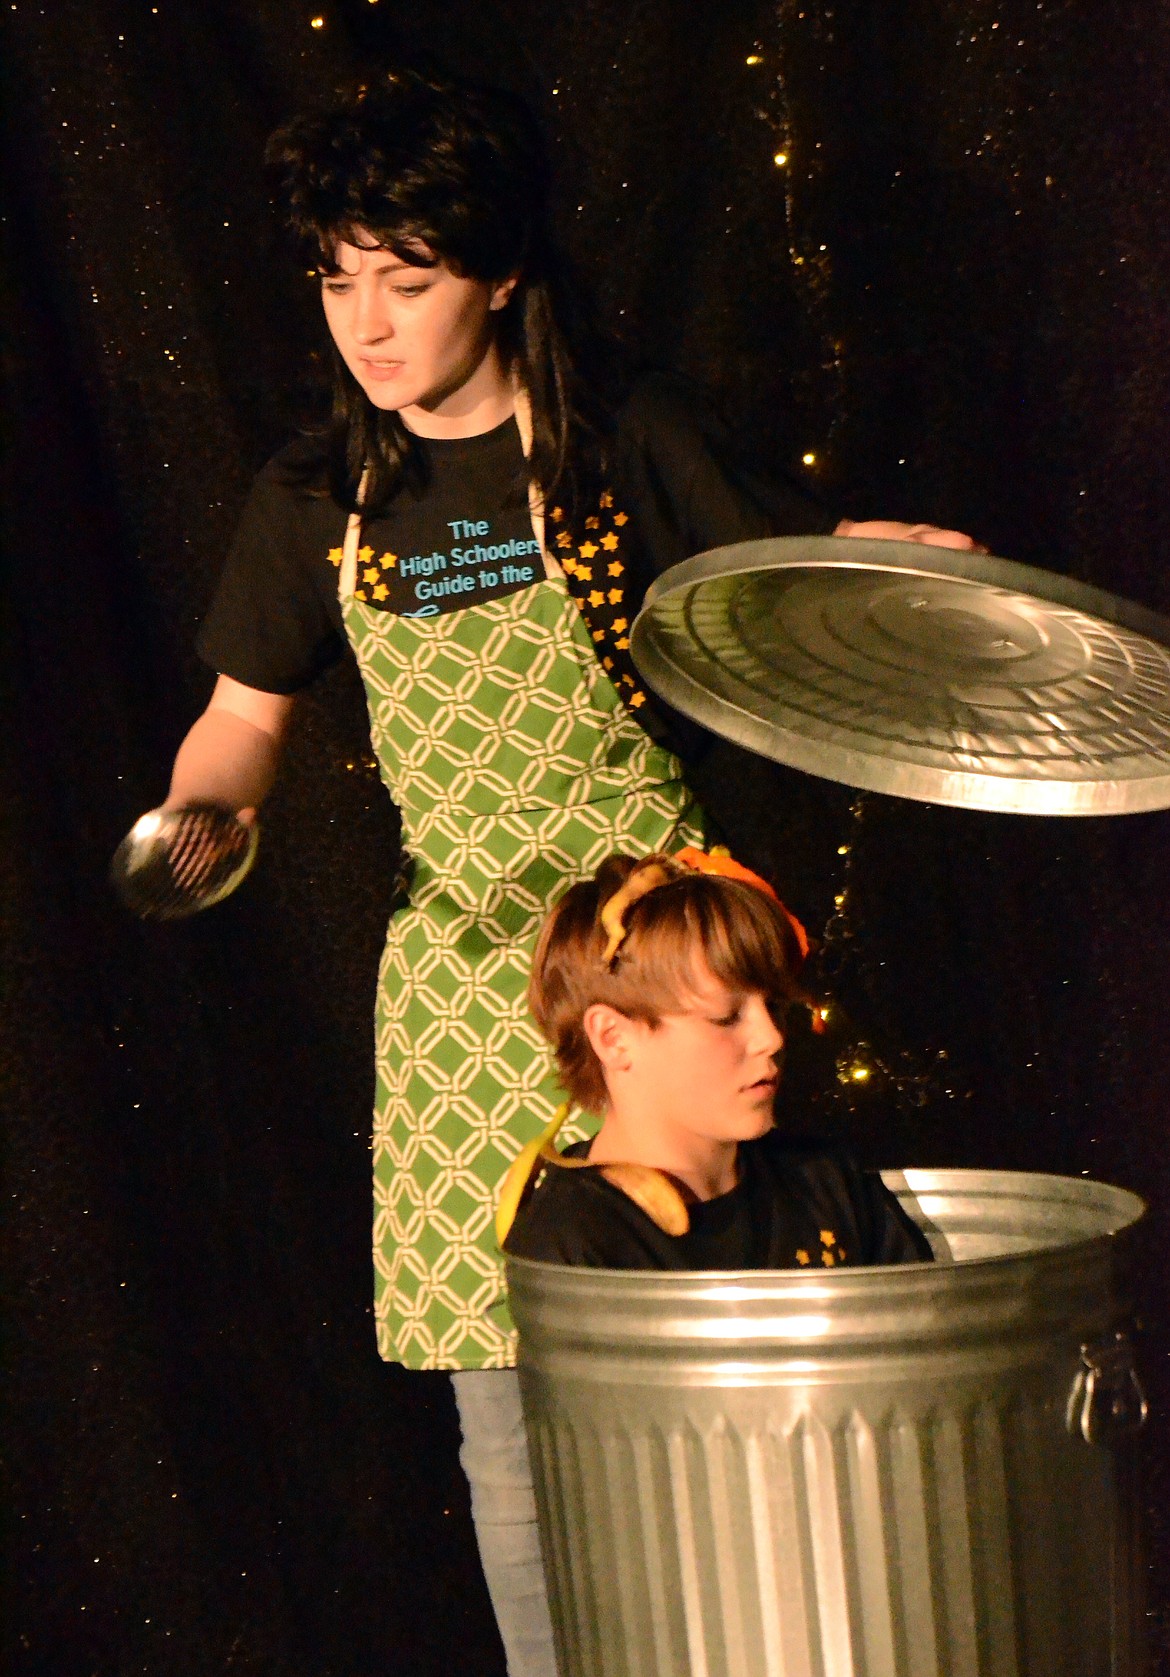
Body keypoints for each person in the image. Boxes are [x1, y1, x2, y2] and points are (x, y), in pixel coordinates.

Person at [164, 64, 969, 1676]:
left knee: (709, 1370)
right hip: (467, 1002)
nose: (366, 326)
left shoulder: (619, 438)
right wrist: (208, 806)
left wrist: (866, 570)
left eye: (408, 281)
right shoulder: (318, 498)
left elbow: (776, 591)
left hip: (651, 974)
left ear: (502, 272)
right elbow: (240, 717)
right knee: (507, 1422)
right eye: (338, 281)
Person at [502, 848, 932, 1268]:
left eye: (775, 1006)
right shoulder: (573, 1247)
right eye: (726, 1017)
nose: (771, 1038)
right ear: (614, 1038)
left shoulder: (825, 1182)